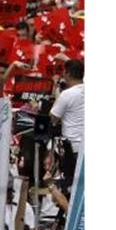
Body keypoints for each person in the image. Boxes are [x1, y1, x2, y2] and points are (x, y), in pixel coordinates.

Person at [50, 58, 84, 190]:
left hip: (73, 149)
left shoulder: (67, 95)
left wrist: (56, 90)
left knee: (71, 187)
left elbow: (53, 118)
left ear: (68, 74)